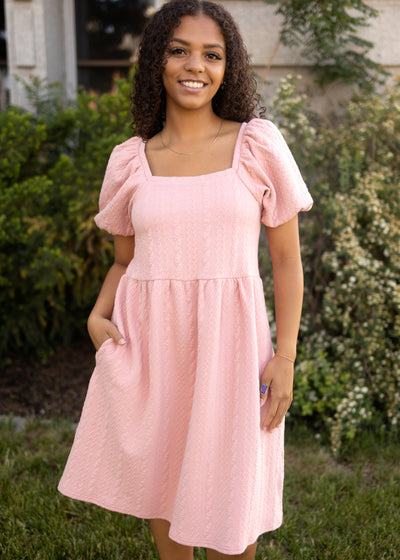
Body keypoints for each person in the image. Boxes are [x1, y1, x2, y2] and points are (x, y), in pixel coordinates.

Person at [58, 1, 313, 558]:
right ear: (157, 61)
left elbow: (287, 262)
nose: (195, 65)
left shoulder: (257, 145)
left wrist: (287, 356)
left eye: (212, 54)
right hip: (154, 352)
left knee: (231, 517)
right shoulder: (131, 161)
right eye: (179, 50)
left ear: (229, 68)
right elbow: (126, 260)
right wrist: (98, 316)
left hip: (233, 353)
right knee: (165, 491)